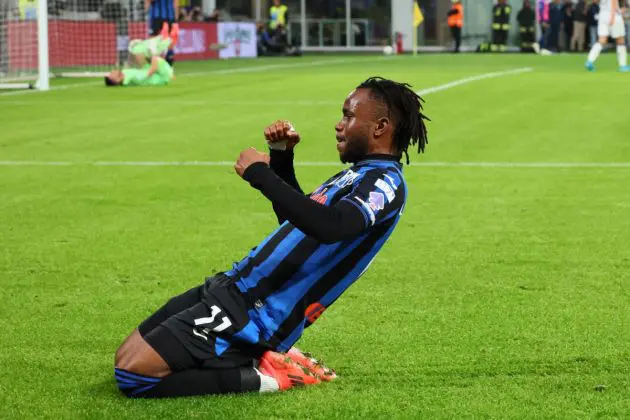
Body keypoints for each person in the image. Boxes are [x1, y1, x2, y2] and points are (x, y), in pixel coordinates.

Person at [113, 77, 430, 398]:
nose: (339, 125)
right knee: (126, 354)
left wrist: (260, 174)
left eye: (348, 116)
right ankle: (252, 359)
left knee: (134, 375)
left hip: (255, 313)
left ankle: (268, 378)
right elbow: (299, 226)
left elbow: (331, 226)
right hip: (234, 286)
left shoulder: (385, 183)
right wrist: (280, 158)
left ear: (380, 127)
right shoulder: (358, 173)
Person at [585, 0, 629, 71]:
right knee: (620, 40)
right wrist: (613, 16)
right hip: (614, 16)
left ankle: (589, 61)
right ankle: (623, 65)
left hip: (602, 15)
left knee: (601, 40)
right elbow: (613, 2)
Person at [104, 55, 174, 87]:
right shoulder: (132, 79)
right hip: (162, 78)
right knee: (155, 58)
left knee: (139, 53)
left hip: (149, 70)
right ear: (115, 80)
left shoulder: (124, 72)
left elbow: (130, 63)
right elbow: (151, 71)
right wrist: (153, 56)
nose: (112, 71)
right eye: (111, 74)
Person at [146, 0, 179, 66]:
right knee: (167, 40)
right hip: (168, 17)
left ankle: (158, 62)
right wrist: (176, 18)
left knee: (156, 40)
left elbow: (148, 2)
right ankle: (166, 62)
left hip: (157, 17)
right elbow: (176, 4)